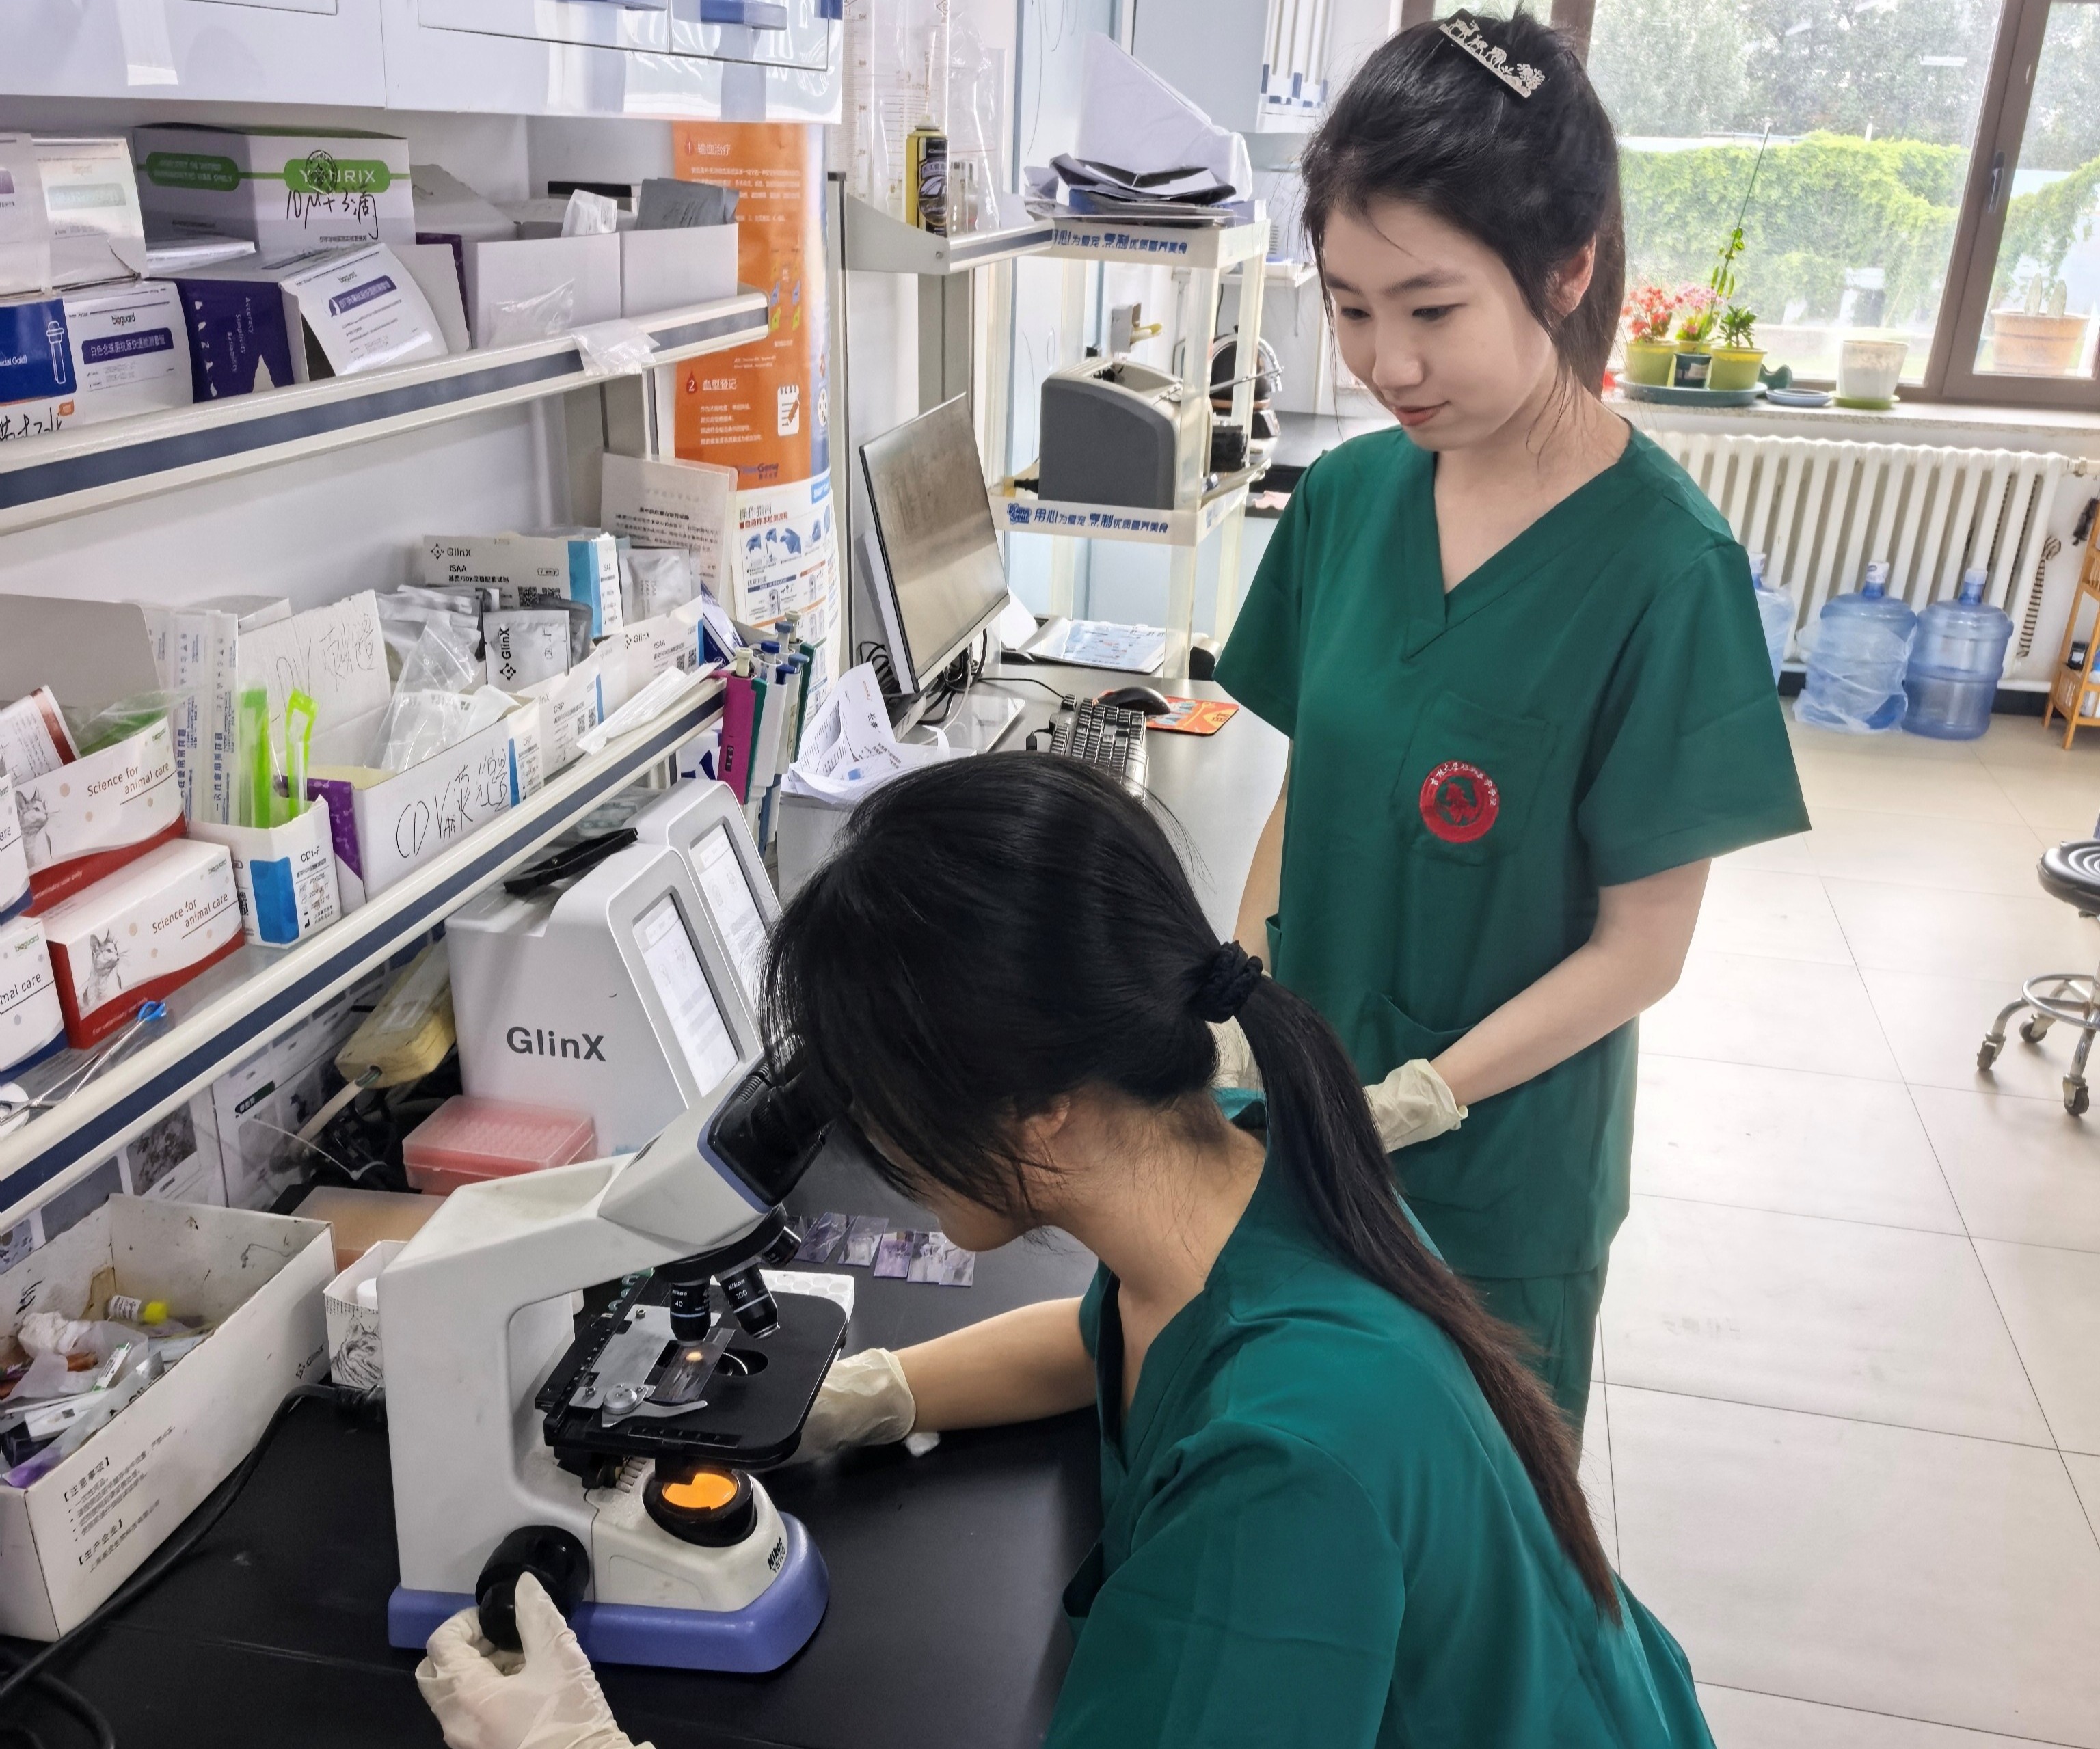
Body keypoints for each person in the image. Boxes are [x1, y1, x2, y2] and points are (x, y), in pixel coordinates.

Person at [419, 755, 1714, 1749]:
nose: (874, 1142)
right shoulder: (1249, 1162)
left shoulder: (1286, 1473)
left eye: (881, 1098)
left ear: (1040, 1111)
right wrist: (870, 1394)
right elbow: (1112, 1337)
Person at [1213, 8, 1809, 1428]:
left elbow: (1642, 948)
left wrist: (1420, 1096)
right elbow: (1308, 792)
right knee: (1290, 1473)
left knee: (1474, 1509)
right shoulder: (1349, 501)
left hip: (1498, 1178)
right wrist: (1245, 1013)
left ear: (1567, 268)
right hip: (1299, 1130)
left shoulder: (1663, 566)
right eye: (1350, 308)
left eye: (1432, 311)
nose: (1387, 365)